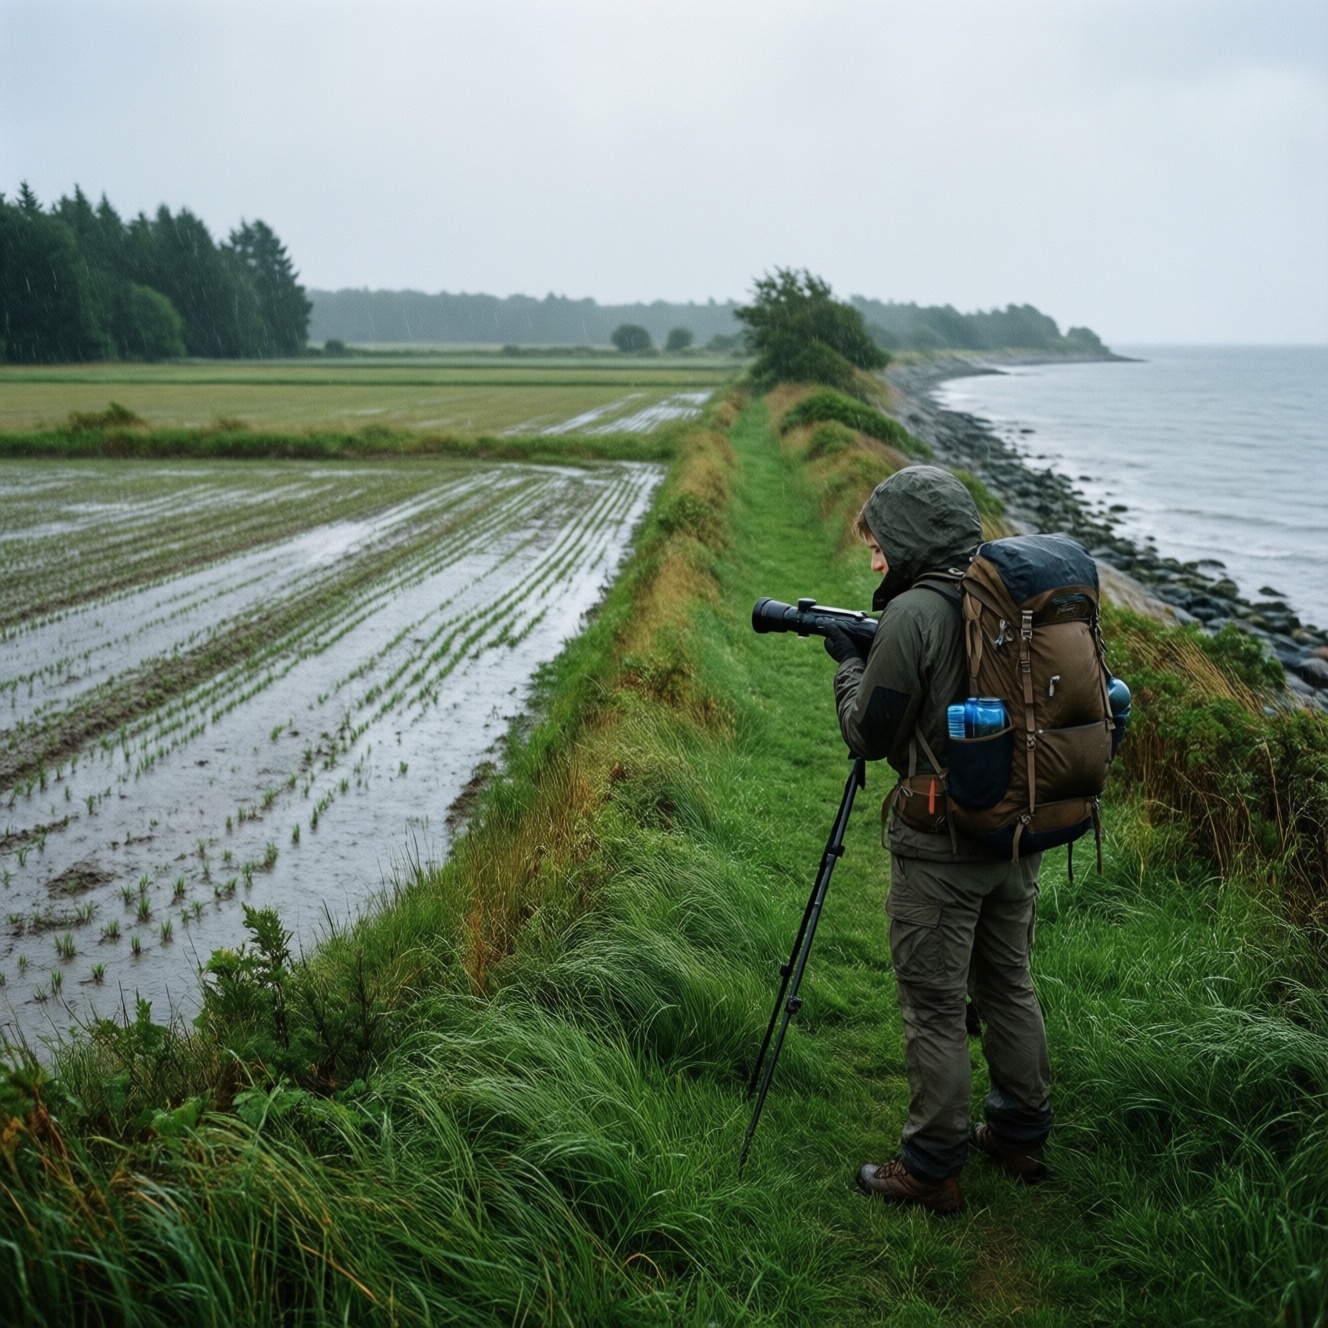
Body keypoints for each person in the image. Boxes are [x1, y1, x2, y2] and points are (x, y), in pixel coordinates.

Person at [823, 465, 1052, 1216]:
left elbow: (871, 731)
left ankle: (929, 1168)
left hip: (941, 844)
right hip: (1020, 832)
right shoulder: (1008, 595)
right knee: (1009, 983)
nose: (873, 559)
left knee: (932, 1005)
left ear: (910, 540)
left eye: (879, 544)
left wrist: (848, 667)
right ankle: (1019, 1133)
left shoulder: (915, 614)